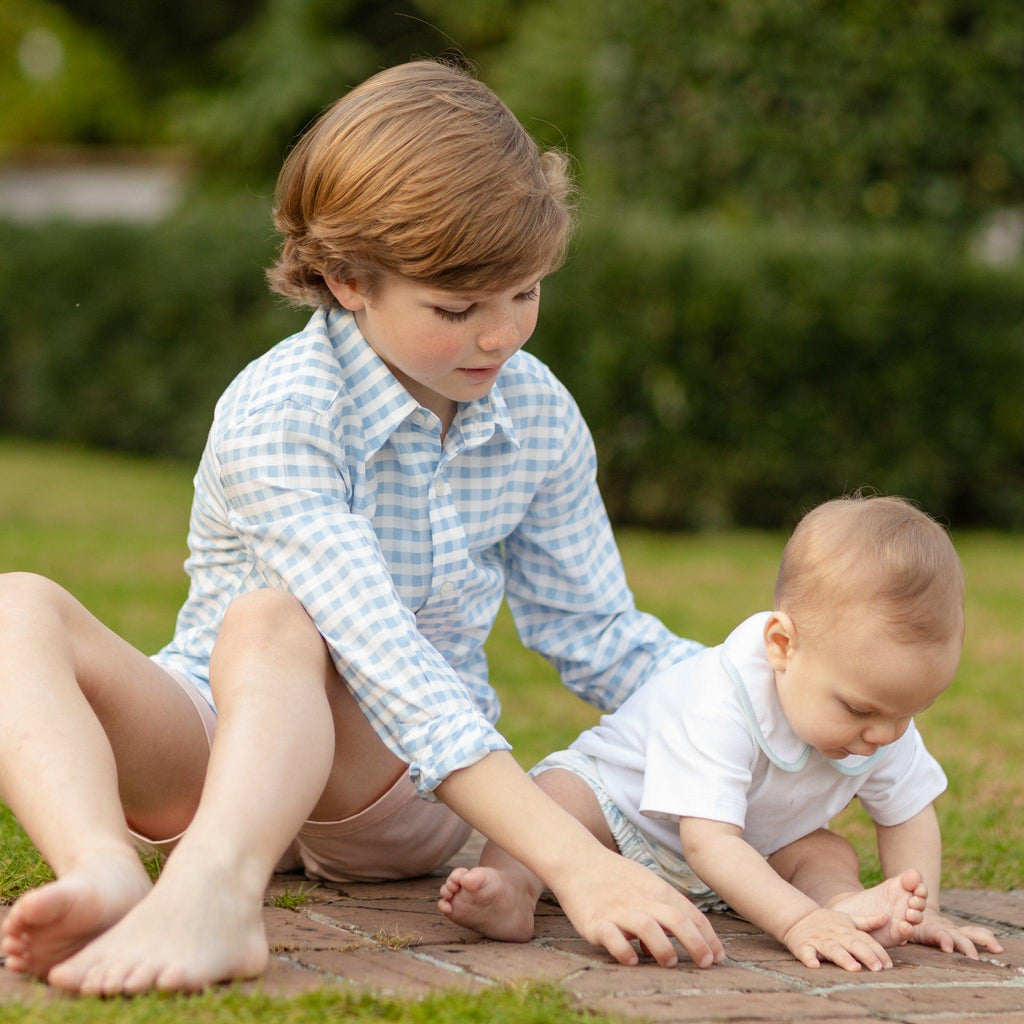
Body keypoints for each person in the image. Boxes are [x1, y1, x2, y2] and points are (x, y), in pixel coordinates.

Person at [0, 59, 728, 996]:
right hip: (217, 752)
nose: (502, 336)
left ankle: (216, 893)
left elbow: (594, 634)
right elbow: (370, 634)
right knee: (21, 605)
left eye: (526, 293)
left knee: (274, 619)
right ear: (347, 280)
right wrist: (575, 862)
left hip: (387, 790)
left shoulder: (536, 412)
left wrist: (757, 701)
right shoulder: (282, 409)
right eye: (458, 309)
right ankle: (104, 868)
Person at [439, 494, 1005, 972]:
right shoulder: (721, 697)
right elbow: (705, 840)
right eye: (860, 709)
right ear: (783, 646)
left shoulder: (880, 712)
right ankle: (513, 887)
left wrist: (925, 905)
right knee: (558, 795)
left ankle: (845, 905)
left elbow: (907, 811)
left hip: (750, 852)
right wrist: (795, 920)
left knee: (825, 850)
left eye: (910, 712)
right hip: (627, 815)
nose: (883, 734)